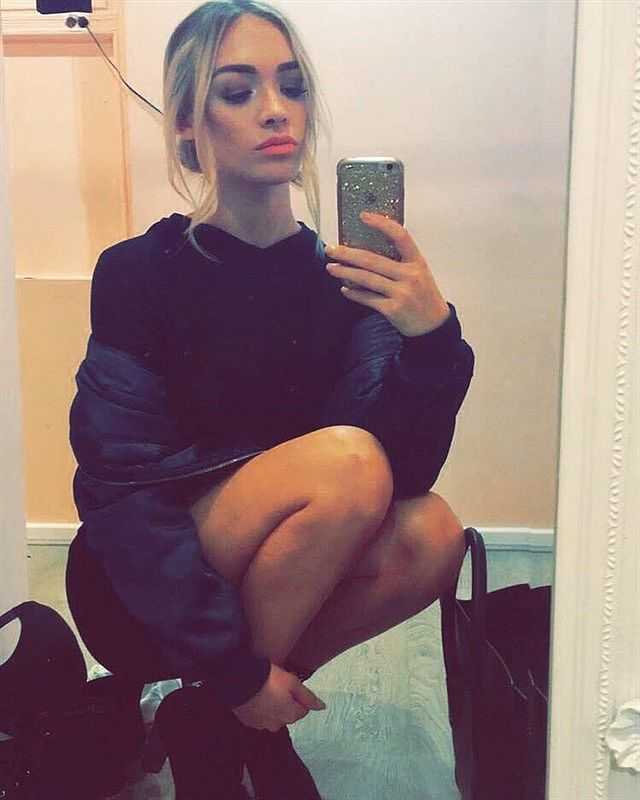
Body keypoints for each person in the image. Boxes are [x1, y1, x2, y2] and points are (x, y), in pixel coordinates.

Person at [65, 1, 475, 798]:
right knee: (348, 464)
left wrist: (431, 339)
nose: (276, 109)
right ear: (188, 125)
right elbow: (120, 494)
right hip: (142, 584)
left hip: (286, 560)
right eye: (237, 90)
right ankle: (238, 700)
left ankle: (217, 721)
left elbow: (405, 473)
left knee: (433, 533)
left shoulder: (344, 280)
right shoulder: (138, 273)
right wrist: (237, 669)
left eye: (292, 86)